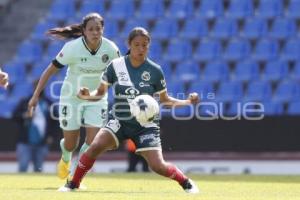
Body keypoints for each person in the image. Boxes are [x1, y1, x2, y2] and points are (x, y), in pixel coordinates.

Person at [59, 27, 200, 194]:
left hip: (145, 125)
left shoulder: (155, 71)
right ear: (129, 44)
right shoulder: (116, 66)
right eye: (137, 45)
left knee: (158, 166)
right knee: (95, 146)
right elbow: (101, 93)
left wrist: (188, 102)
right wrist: (87, 96)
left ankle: (186, 182)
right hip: (119, 120)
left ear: (149, 46)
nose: (141, 49)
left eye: (145, 45)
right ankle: (73, 184)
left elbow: (166, 101)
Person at [28, 13, 120, 181]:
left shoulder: (111, 49)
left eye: (98, 29)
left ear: (103, 30)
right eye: (91, 29)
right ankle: (65, 158)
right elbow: (49, 71)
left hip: (96, 98)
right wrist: (35, 96)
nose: (95, 32)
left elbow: (121, 73)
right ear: (84, 31)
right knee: (71, 144)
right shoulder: (72, 48)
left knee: (93, 143)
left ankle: (75, 176)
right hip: (71, 97)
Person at [13, 82, 57, 172]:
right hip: (25, 141)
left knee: (38, 168)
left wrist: (51, 136)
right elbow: (15, 116)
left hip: (42, 142)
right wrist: (24, 115)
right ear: (33, 88)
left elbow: (55, 121)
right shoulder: (25, 102)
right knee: (23, 166)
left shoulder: (48, 103)